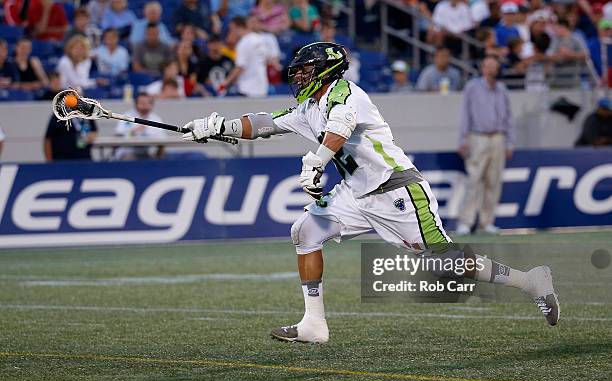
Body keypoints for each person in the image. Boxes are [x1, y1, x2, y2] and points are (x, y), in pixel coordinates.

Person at [181, 42, 560, 343]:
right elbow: (265, 123)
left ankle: (530, 281)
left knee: (446, 265)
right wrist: (217, 125)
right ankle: (314, 325)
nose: (298, 76)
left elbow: (339, 132)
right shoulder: (309, 105)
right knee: (305, 232)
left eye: (305, 69)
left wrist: (315, 162)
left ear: (325, 70)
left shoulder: (348, 94)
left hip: (396, 189)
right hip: (356, 194)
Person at [457, 57, 513, 236]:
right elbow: (465, 114)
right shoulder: (473, 87)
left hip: (498, 137)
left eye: (494, 67)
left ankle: (487, 221)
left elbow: (509, 118)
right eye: (488, 66)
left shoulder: (502, 90)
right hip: (478, 136)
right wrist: (462, 139)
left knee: (493, 182)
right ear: (482, 68)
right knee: (474, 180)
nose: (491, 70)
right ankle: (466, 222)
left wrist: (510, 142)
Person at [219, 16, 268, 97]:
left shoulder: (244, 43)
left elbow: (240, 67)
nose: (231, 32)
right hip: (262, 86)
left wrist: (225, 83)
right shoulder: (259, 38)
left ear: (235, 27)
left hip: (248, 88)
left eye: (231, 29)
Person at [114, 93, 166, 160]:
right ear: (136, 104)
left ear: (152, 105)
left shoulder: (156, 119)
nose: (144, 105)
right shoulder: (126, 116)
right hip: (128, 154)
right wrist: (132, 132)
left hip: (150, 154)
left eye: (147, 102)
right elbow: (118, 135)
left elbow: (162, 139)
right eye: (141, 102)